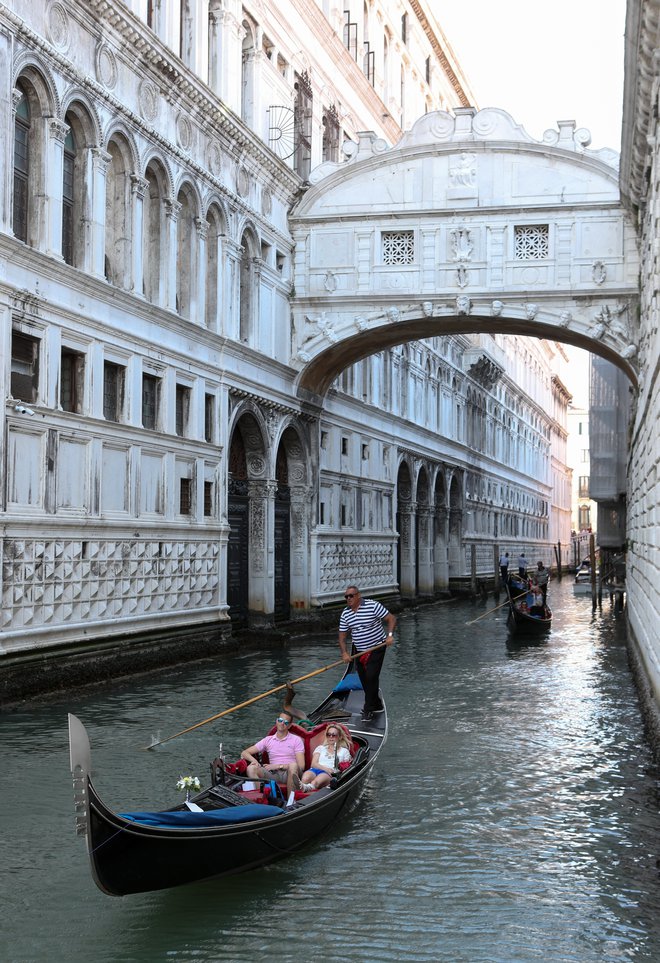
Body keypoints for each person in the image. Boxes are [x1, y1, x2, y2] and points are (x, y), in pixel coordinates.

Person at [338, 585, 396, 722]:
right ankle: (376, 702)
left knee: (371, 676)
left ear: (358, 595)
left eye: (351, 596)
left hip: (377, 646)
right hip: (359, 651)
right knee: (364, 679)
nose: (348, 599)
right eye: (346, 596)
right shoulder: (345, 613)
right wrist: (344, 653)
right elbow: (342, 637)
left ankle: (369, 708)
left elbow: (391, 618)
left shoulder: (373, 606)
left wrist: (390, 635)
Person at [240, 709, 305, 796]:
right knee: (251, 769)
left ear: (289, 726)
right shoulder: (268, 740)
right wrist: (254, 761)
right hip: (273, 774)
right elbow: (245, 753)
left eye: (285, 722)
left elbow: (301, 766)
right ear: (276, 721)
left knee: (293, 765)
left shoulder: (296, 740)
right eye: (280, 720)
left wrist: (278, 766)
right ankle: (263, 798)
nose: (282, 723)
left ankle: (291, 802)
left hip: (290, 773)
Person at [295, 725, 353, 792]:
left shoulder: (344, 751)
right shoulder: (320, 748)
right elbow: (313, 764)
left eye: (334, 735)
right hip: (315, 770)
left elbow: (346, 768)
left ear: (339, 737)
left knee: (316, 782)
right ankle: (300, 794)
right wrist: (327, 769)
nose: (331, 737)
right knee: (305, 778)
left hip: (329, 775)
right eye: (328, 734)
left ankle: (305, 789)